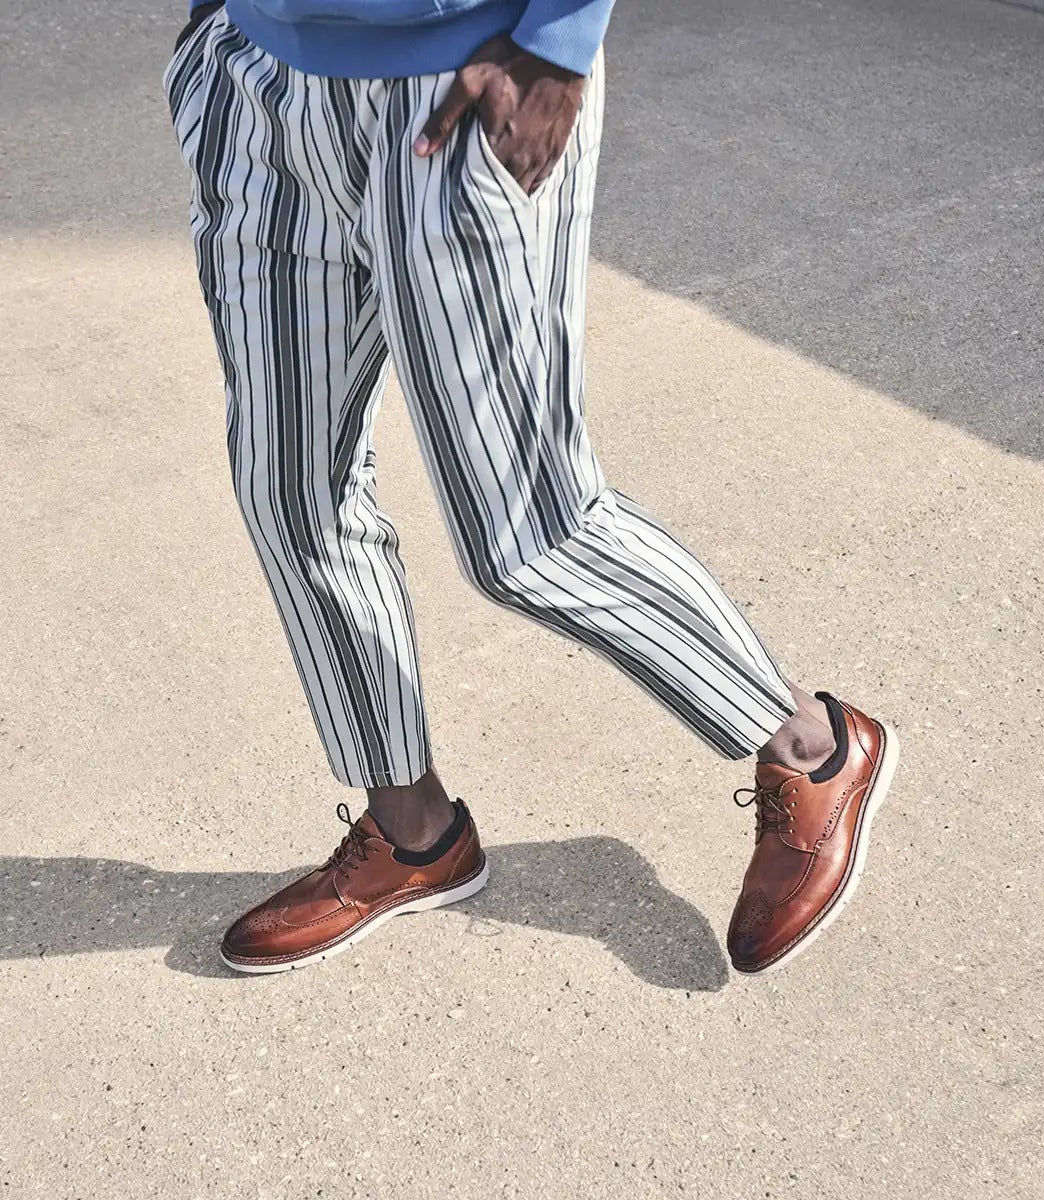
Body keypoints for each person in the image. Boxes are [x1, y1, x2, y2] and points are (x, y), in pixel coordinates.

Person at [163, 0, 899, 978]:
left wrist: (558, 40)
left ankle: (814, 747)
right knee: (289, 490)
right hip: (258, 84)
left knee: (529, 529)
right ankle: (414, 836)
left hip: (457, 87)